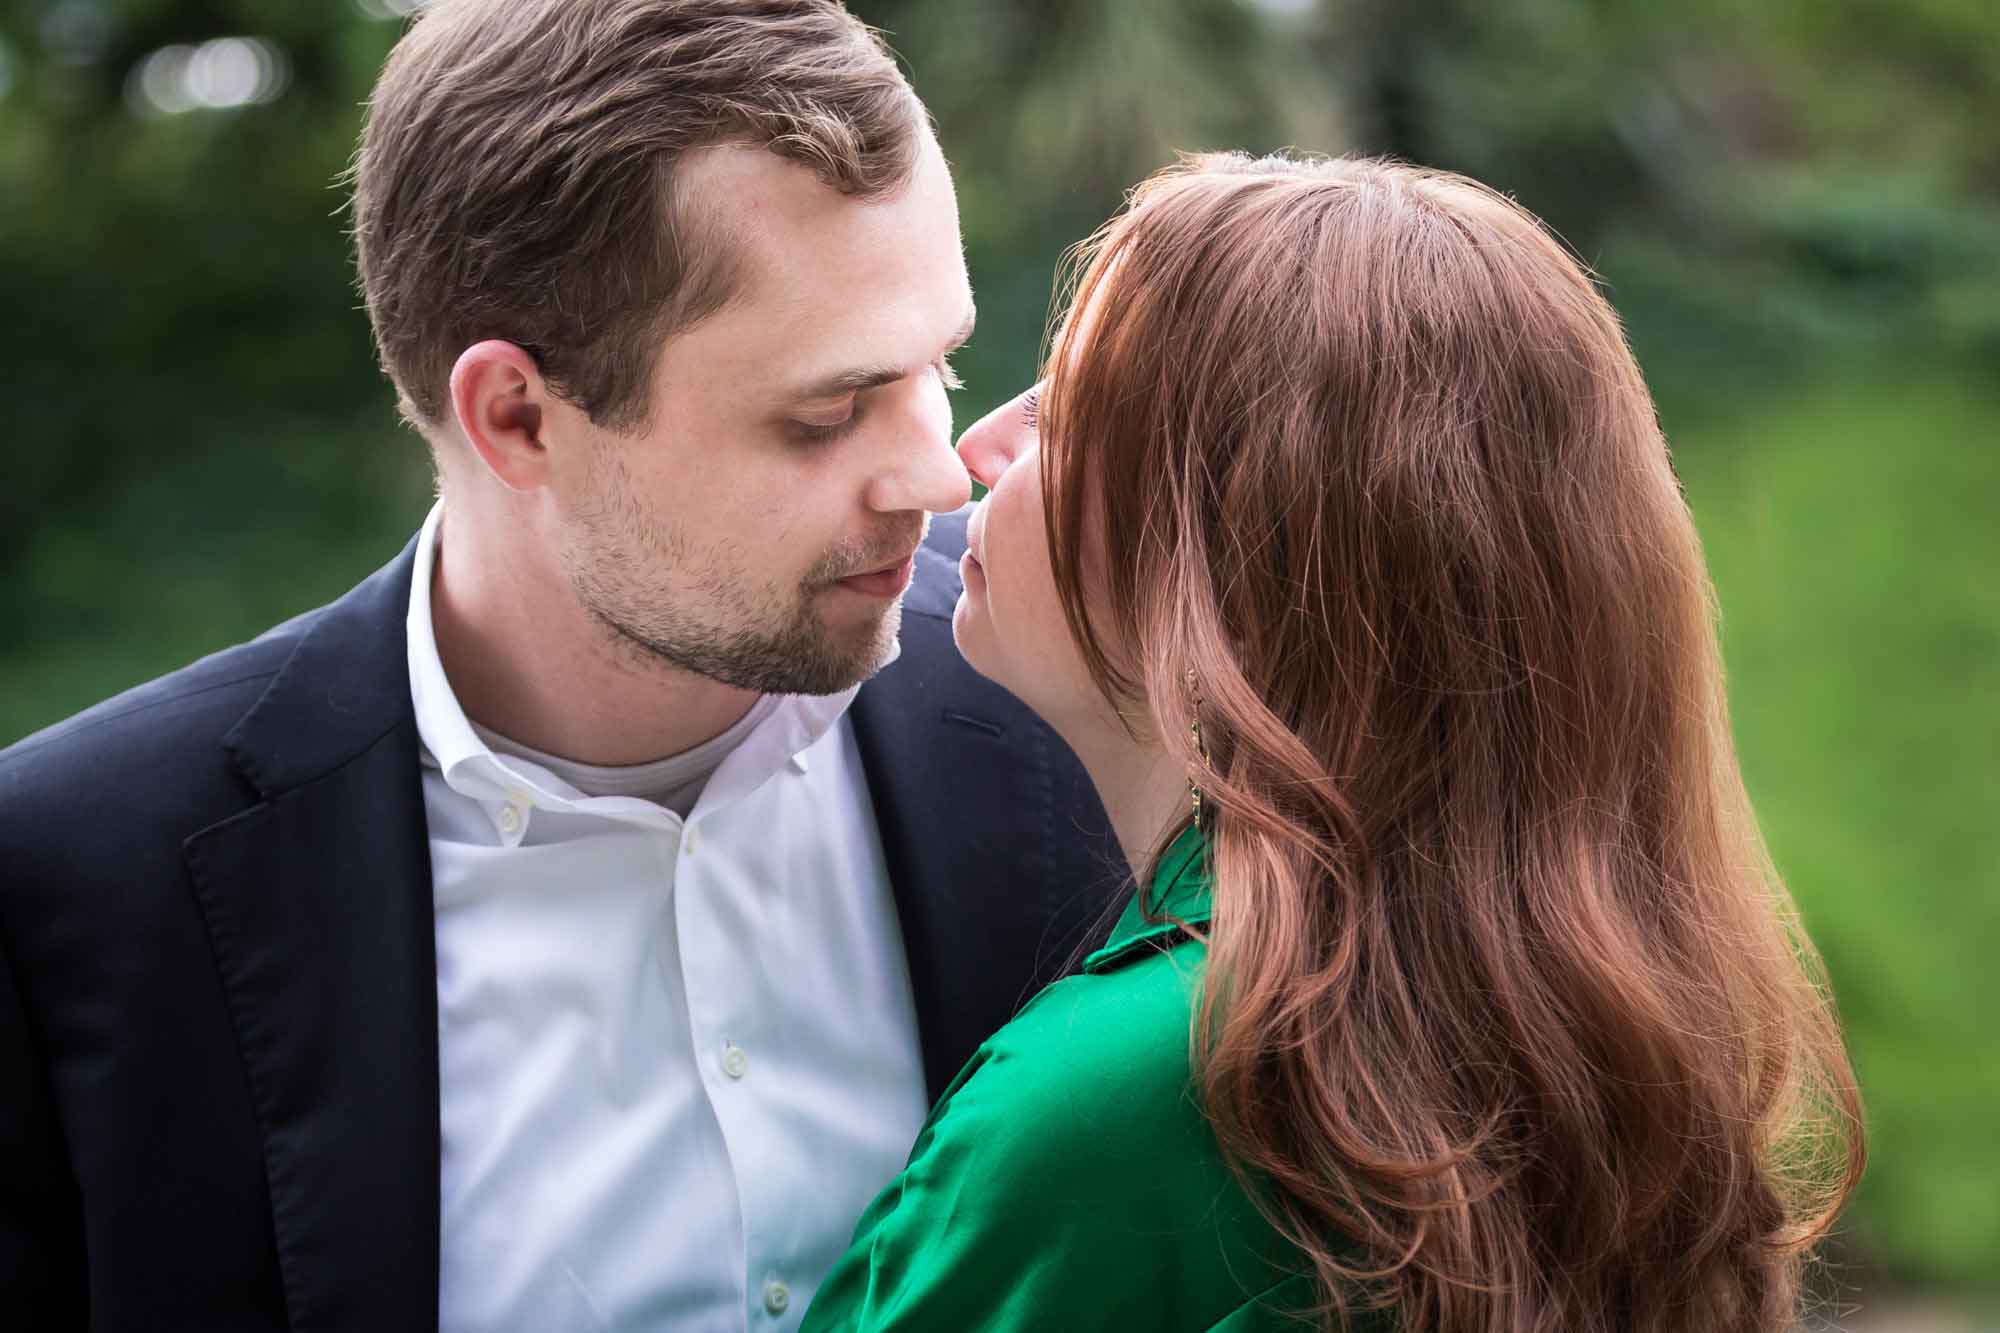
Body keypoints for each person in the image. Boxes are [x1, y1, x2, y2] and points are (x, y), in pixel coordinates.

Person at [0, 2, 1120, 1329]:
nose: (937, 473)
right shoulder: (78, 890)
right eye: (825, 415)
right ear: (517, 417)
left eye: (935, 364)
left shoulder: (1093, 697)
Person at [801, 152, 1866, 1332]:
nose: (971, 455)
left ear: (1234, 551)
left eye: (1062, 408)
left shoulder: (1136, 1099)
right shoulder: (1593, 1045)